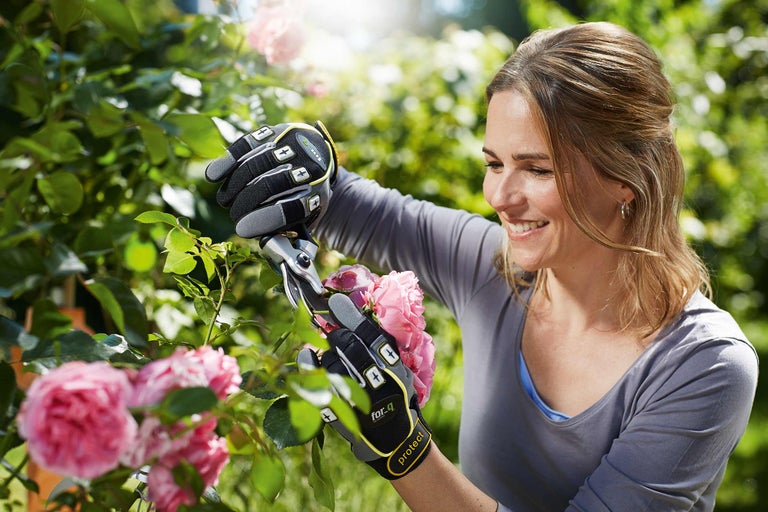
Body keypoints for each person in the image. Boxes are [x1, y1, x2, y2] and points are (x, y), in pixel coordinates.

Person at [205, 21, 758, 512]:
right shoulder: (494, 268)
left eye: (536, 169)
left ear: (626, 177)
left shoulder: (704, 365)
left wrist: (407, 453)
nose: (500, 194)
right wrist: (303, 157)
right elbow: (344, 203)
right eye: (494, 163)